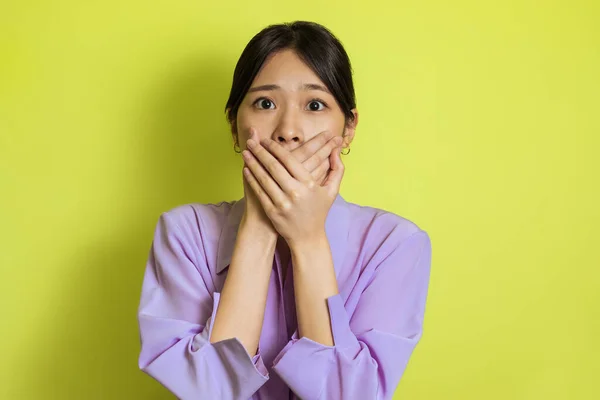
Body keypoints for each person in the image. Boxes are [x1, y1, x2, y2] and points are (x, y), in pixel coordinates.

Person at [137, 21, 432, 400]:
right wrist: (258, 228)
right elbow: (208, 392)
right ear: (234, 126)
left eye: (314, 104)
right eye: (265, 103)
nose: (288, 130)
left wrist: (308, 241)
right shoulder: (184, 233)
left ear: (349, 127)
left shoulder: (394, 244)